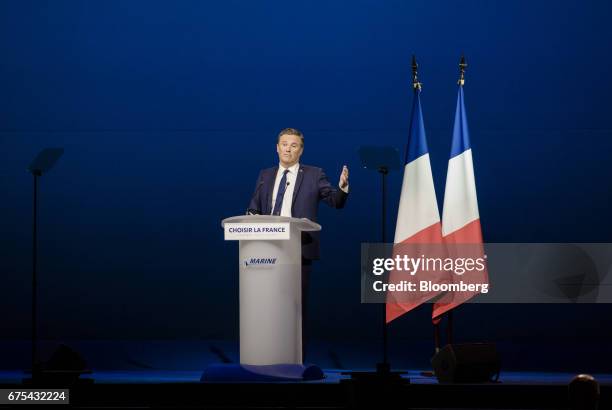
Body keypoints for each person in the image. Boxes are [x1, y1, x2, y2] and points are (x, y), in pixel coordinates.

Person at [247, 127, 349, 361]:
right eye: (284, 144)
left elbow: (334, 201)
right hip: (265, 248)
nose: (288, 148)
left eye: (294, 145)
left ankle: (295, 359)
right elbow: (254, 207)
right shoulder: (265, 175)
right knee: (266, 305)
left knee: (295, 308)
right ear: (277, 147)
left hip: (298, 249)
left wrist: (342, 188)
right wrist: (250, 215)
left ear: (301, 150)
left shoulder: (314, 174)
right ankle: (265, 355)